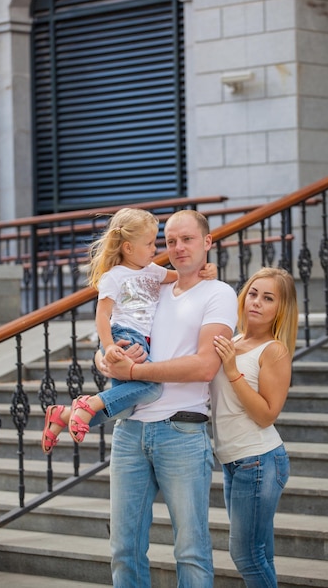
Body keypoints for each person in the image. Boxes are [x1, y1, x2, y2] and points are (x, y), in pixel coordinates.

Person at [97, 209, 238, 588]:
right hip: (130, 432)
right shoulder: (151, 286)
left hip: (182, 431)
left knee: (190, 552)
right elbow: (116, 335)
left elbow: (205, 366)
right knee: (123, 550)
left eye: (187, 238)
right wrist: (105, 356)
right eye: (170, 240)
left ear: (208, 242)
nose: (177, 247)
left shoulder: (219, 293)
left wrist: (136, 373)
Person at [41, 207, 217, 454]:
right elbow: (102, 315)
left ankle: (64, 414)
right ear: (128, 248)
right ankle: (87, 404)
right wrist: (109, 346)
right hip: (124, 335)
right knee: (151, 388)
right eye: (148, 244)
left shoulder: (152, 270)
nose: (155, 249)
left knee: (127, 404)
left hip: (141, 340)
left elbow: (180, 277)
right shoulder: (114, 276)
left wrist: (206, 271)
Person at [211, 267, 298, 588]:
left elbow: (266, 415)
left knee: (245, 555)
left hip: (259, 459)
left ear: (281, 309)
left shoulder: (274, 351)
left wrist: (232, 369)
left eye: (268, 298)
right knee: (261, 555)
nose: (257, 302)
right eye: (253, 293)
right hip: (234, 461)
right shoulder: (233, 340)